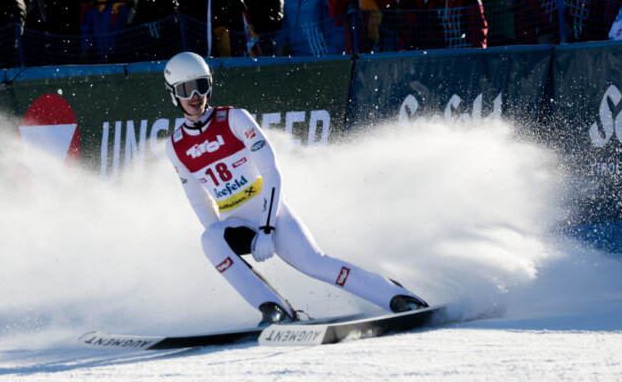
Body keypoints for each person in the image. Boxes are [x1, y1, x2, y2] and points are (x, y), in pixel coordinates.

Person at [163, 51, 428, 325]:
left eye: (201, 86)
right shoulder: (176, 146)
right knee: (209, 240)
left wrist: (267, 227)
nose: (195, 96)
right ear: (173, 94)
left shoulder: (235, 119)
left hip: (270, 210)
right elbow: (198, 200)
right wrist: (226, 245)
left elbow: (271, 170)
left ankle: (396, 296)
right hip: (236, 223)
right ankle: (274, 309)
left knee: (314, 263)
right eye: (185, 89)